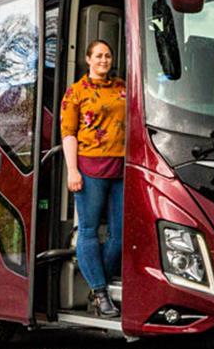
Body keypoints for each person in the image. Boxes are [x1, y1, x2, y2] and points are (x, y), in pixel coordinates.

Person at [61, 39, 125, 318]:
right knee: (88, 231)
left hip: (122, 168)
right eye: (98, 56)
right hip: (89, 169)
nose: (103, 60)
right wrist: (72, 170)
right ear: (88, 59)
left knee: (119, 234)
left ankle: (99, 283)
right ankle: (100, 293)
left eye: (107, 56)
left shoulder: (123, 87)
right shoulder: (76, 92)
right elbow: (68, 134)